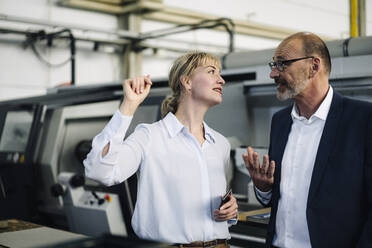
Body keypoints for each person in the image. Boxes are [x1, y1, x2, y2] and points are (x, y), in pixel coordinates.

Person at [84, 51, 238, 247]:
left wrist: (231, 210)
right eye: (211, 72)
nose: (222, 80)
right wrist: (129, 105)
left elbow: (219, 199)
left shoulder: (220, 143)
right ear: (187, 82)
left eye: (220, 73)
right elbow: (100, 171)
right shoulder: (149, 137)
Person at [243, 32, 372, 248]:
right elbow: (277, 199)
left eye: (282, 64)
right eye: (273, 65)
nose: (273, 73)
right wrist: (264, 188)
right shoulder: (280, 122)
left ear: (314, 66)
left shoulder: (363, 119)